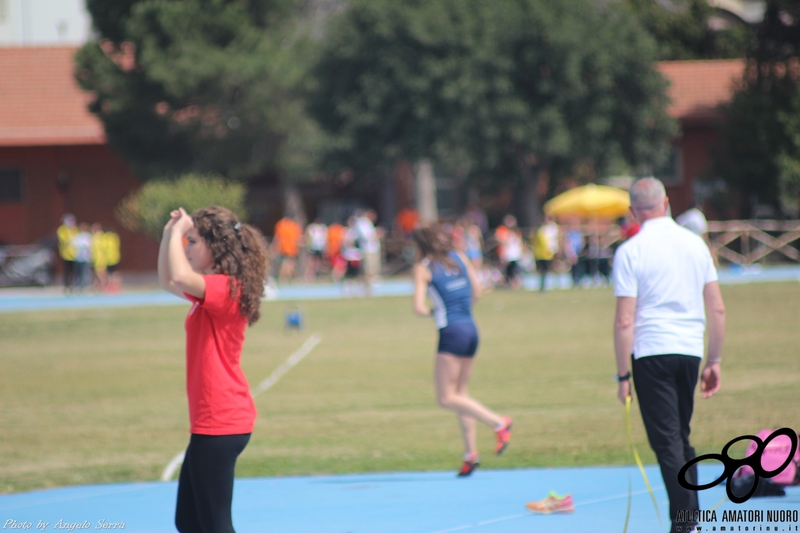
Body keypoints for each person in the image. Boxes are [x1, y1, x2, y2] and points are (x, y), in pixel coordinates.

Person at [612, 178, 725, 533]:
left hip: (652, 351)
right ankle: (689, 513)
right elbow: (717, 309)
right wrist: (714, 360)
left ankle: (685, 520)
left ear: (633, 211)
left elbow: (625, 319)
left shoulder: (631, 250)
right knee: (680, 435)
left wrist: (622, 375)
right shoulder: (695, 244)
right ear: (665, 203)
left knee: (666, 442)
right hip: (690, 349)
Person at [158, 206, 267, 533]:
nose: (186, 249)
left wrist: (178, 233)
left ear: (214, 246)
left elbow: (178, 276)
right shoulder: (214, 289)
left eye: (193, 242)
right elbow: (168, 281)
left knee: (215, 524)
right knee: (189, 521)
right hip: (211, 422)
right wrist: (169, 234)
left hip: (221, 421)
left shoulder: (225, 288)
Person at [411, 224, 513, 477]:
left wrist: (436, 312)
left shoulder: (422, 268)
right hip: (470, 328)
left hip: (451, 332)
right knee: (461, 395)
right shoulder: (461, 257)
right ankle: (470, 455)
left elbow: (418, 307)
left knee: (445, 397)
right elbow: (477, 292)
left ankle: (498, 423)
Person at [272, 215, 303, 283]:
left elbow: (277, 237)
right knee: (288, 264)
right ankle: (284, 278)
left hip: (283, 248)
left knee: (287, 264)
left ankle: (286, 278)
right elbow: (297, 239)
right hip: (291, 249)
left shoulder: (281, 224)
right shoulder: (295, 226)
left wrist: (274, 247)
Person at [532, 216, 559, 292]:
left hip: (547, 254)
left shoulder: (551, 229)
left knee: (547, 269)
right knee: (543, 270)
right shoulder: (541, 230)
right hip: (542, 254)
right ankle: (544, 286)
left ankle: (549, 285)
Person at [496, 215, 523, 290]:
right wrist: (503, 255)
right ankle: (508, 284)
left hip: (515, 255)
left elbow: (519, 244)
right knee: (508, 271)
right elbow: (503, 243)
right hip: (509, 255)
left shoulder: (517, 233)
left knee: (514, 271)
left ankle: (513, 284)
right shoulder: (505, 232)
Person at [57, 214, 78, 293]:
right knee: (67, 271)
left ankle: (73, 286)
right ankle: (67, 286)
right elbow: (65, 240)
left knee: (74, 272)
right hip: (66, 254)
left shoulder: (74, 229)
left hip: (74, 254)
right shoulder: (62, 229)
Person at [71, 223, 93, 292]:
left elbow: (90, 246)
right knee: (78, 273)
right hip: (78, 258)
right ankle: (77, 285)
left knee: (85, 273)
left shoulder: (88, 237)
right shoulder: (78, 237)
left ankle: (85, 286)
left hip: (85, 258)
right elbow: (72, 244)